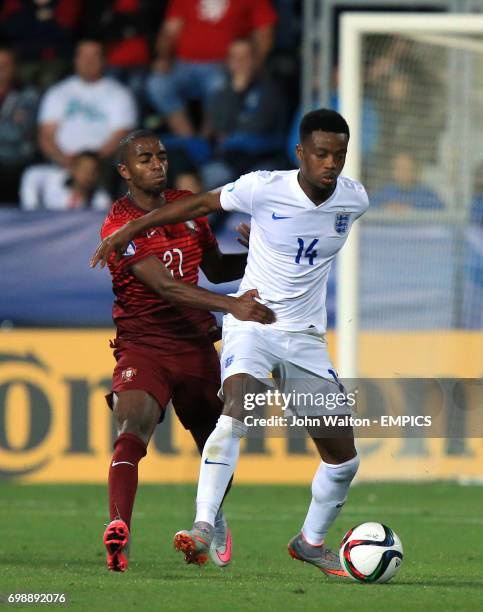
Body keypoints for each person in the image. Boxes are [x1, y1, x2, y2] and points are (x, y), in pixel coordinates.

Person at [91, 110, 368, 578]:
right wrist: (132, 230)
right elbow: (199, 209)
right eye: (321, 153)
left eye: (339, 155)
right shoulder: (263, 186)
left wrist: (257, 245)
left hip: (301, 337)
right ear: (300, 153)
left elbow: (226, 263)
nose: (330, 163)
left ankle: (310, 542)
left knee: (344, 461)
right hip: (243, 326)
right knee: (231, 415)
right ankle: (201, 527)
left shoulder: (355, 199)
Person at [97, 129, 274, 572]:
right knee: (132, 425)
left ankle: (212, 518)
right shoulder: (120, 224)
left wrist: (259, 252)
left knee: (215, 440)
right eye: (144, 159)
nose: (157, 163)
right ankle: (118, 527)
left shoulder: (187, 206)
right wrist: (233, 305)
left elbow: (214, 269)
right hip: (144, 346)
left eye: (160, 156)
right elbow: (167, 288)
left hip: (195, 346)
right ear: (125, 171)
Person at [146, 0, 276, 136]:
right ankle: (188, 141)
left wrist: (253, 65)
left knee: (219, 86)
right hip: (182, 65)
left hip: (225, 65)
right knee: (158, 84)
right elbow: (170, 31)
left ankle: (206, 140)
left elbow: (264, 33)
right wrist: (163, 58)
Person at [201, 38, 287, 190]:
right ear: (228, 62)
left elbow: (261, 125)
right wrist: (236, 93)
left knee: (254, 186)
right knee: (210, 178)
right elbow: (220, 126)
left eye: (245, 57)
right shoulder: (221, 91)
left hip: (263, 157)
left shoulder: (271, 88)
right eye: (235, 58)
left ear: (255, 60)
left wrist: (234, 127)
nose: (240, 62)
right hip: (228, 158)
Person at [38, 39, 137, 169]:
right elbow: (46, 135)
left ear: (104, 60)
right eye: (83, 56)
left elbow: (122, 135)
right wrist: (64, 160)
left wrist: (88, 165)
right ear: (75, 59)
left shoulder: (120, 94)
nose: (88, 62)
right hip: (61, 165)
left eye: (94, 56)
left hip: (102, 168)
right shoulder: (57, 92)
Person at [0, 45, 38, 205]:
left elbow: (17, 133)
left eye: (5, 65)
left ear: (15, 68)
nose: (1, 69)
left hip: (13, 161)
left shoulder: (27, 96)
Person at [20, 151, 111, 210]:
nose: (88, 175)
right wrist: (32, 211)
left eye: (93, 171)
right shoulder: (53, 179)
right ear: (73, 169)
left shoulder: (100, 199)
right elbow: (30, 174)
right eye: (84, 170)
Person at [371, 152, 444, 212]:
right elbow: (368, 210)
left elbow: (442, 212)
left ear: (414, 171)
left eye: (406, 168)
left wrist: (410, 210)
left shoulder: (426, 193)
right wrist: (386, 208)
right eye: (398, 168)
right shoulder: (384, 192)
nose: (402, 172)